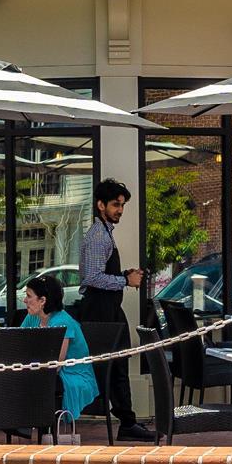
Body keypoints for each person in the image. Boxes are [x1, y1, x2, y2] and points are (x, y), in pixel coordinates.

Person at [72, 178, 153, 441]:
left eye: (122, 205)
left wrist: (122, 275)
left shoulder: (105, 233)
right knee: (110, 367)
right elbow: (92, 278)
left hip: (108, 309)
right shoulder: (98, 236)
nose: (120, 210)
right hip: (99, 311)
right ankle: (123, 422)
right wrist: (124, 280)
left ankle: (126, 422)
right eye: (116, 205)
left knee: (118, 365)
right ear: (100, 205)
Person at [14, 272, 98, 429]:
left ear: (43, 301)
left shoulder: (62, 322)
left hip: (71, 375)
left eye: (29, 296)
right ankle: (19, 424)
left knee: (24, 380)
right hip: (42, 369)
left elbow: (57, 364)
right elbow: (17, 341)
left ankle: (25, 425)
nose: (25, 300)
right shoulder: (34, 316)